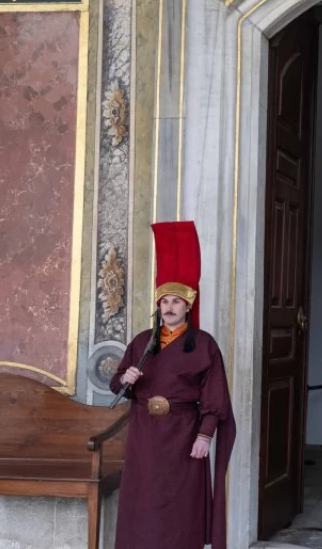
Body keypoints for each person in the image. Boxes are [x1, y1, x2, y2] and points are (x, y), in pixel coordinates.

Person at [111, 221, 237, 549]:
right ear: (158, 306)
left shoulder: (205, 345)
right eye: (164, 302)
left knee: (181, 503)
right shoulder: (142, 343)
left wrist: (204, 435)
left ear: (188, 306)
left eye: (176, 302)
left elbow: (215, 395)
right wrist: (125, 379)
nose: (169, 307)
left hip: (184, 433)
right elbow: (117, 383)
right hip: (145, 434)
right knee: (145, 499)